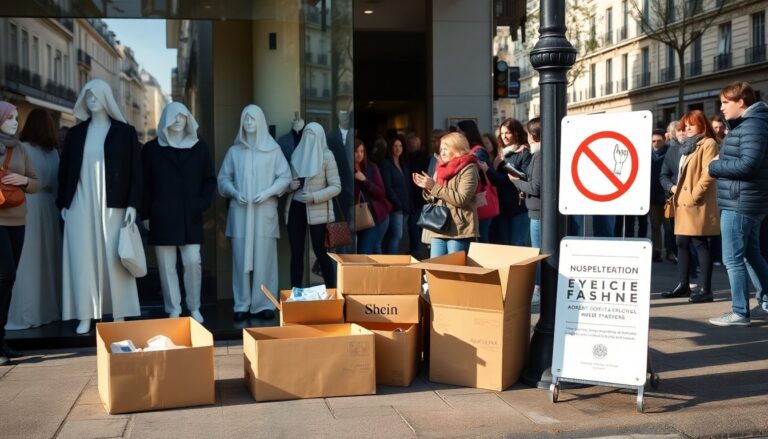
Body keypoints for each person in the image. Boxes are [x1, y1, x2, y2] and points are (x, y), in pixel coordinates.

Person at [58, 80, 142, 335]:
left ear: (106, 98)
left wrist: (133, 204)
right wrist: (63, 202)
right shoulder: (75, 133)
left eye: (96, 96)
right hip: (80, 202)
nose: (92, 100)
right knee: (83, 258)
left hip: (113, 203)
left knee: (114, 258)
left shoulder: (125, 132)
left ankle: (119, 313)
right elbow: (64, 172)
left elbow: (136, 172)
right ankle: (85, 314)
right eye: (88, 96)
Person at [142, 102, 215, 323]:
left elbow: (209, 181)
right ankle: (173, 307)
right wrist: (146, 213)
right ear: (165, 120)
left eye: (182, 117)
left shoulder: (199, 147)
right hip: (162, 216)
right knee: (166, 265)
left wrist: (200, 203)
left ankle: (194, 306)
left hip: (190, 216)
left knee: (193, 261)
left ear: (188, 120)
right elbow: (143, 184)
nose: (177, 121)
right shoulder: (152, 149)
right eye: (173, 117)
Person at [217, 105, 291, 322]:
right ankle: (241, 303)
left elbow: (285, 178)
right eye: (245, 119)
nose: (249, 123)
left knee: (265, 260)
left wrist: (269, 193)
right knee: (240, 260)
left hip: (264, 213)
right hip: (240, 212)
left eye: (252, 119)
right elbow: (223, 180)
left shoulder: (273, 150)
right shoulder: (234, 152)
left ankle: (264, 303)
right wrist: (233, 192)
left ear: (260, 121)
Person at [707, 82, 768, 326]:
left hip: (740, 201)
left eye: (725, 102)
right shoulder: (752, 124)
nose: (721, 108)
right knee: (751, 254)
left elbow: (748, 164)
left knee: (732, 258)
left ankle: (740, 312)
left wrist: (714, 166)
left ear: (740, 102)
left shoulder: (752, 125)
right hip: (746, 199)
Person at [6, 109, 61, 330]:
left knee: (28, 263)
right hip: (49, 208)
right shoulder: (54, 153)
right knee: (48, 261)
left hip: (28, 205)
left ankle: (27, 313)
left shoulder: (23, 149)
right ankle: (48, 309)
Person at [661, 110, 720, 303]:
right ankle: (683, 285)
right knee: (681, 242)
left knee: (699, 242)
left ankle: (706, 289)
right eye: (684, 126)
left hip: (696, 201)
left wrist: (694, 195)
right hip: (683, 202)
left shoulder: (708, 143)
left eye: (690, 125)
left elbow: (708, 173)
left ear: (702, 125)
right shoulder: (686, 146)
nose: (686, 129)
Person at [0, 102, 40, 364]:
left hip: (18, 220)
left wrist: (23, 181)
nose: (16, 121)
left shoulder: (21, 148)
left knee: (9, 281)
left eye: (17, 117)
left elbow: (37, 184)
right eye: (10, 117)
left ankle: (1, 340)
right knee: (6, 274)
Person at [286, 122, 341, 288]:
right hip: (296, 207)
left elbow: (336, 186)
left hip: (318, 211)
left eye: (313, 135)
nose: (309, 138)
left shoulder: (327, 156)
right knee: (296, 253)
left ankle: (331, 292)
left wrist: (314, 196)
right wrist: (290, 186)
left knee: (321, 253)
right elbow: (288, 181)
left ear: (320, 137)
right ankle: (296, 293)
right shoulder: (297, 154)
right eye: (307, 134)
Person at [412, 132, 479, 257]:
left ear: (457, 148)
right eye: (441, 149)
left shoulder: (469, 169)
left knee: (454, 271)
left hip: (459, 230)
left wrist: (433, 186)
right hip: (439, 227)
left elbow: (461, 199)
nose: (441, 153)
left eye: (446, 149)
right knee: (435, 269)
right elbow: (435, 198)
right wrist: (427, 189)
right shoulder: (441, 168)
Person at [510, 117, 542, 304]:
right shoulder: (539, 154)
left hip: (537, 212)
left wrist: (516, 182)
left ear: (533, 135)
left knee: (537, 253)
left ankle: (538, 287)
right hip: (537, 210)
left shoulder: (539, 156)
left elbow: (535, 187)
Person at [490, 118, 532, 246]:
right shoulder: (501, 153)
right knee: (504, 244)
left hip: (518, 206)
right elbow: (497, 180)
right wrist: (491, 169)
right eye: (502, 133)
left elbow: (524, 176)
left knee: (518, 243)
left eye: (507, 133)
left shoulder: (524, 152)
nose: (504, 136)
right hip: (501, 206)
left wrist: (502, 165)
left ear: (516, 133)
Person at [457, 119, 498, 243]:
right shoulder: (469, 149)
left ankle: (483, 262)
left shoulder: (478, 151)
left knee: (481, 235)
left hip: (479, 197)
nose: (458, 134)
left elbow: (478, 173)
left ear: (466, 133)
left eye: (460, 131)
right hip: (472, 198)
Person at [354, 139, 391, 254]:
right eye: (356, 151)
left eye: (362, 151)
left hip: (374, 216)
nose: (359, 154)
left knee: (364, 251)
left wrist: (364, 180)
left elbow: (381, 193)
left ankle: (372, 272)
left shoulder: (371, 167)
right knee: (374, 249)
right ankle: (378, 272)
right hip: (355, 216)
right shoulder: (346, 169)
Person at [380, 135, 410, 254]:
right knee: (396, 235)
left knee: (398, 236)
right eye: (395, 146)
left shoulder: (403, 164)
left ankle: (390, 259)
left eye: (400, 146)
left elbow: (407, 187)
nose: (398, 148)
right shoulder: (386, 164)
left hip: (405, 207)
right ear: (390, 148)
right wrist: (397, 204)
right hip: (395, 207)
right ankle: (392, 262)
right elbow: (388, 187)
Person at [648, 128, 673, 263]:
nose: (656, 143)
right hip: (652, 198)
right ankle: (656, 252)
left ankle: (670, 252)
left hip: (667, 197)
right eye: (653, 141)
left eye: (659, 141)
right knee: (655, 227)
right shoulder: (647, 155)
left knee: (669, 228)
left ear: (664, 140)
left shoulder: (670, 154)